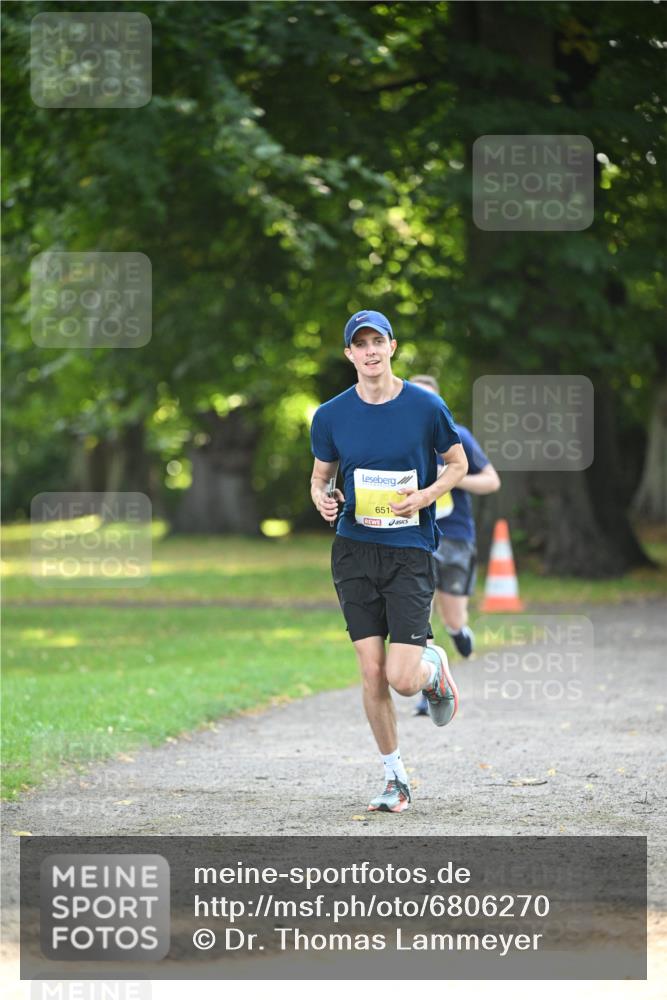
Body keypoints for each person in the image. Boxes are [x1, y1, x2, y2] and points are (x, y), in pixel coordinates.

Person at [309, 310, 468, 813]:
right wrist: (323, 498)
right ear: (349, 355)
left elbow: (457, 465)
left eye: (378, 341)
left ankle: (432, 667)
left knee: (402, 678)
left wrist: (425, 495)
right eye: (361, 344)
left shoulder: (426, 406)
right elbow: (320, 477)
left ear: (392, 347)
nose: (371, 351)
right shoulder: (330, 415)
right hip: (354, 549)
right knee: (372, 671)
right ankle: (395, 778)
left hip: (409, 550)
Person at [408, 375, 501, 716]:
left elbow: (492, 481)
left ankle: (459, 632)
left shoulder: (457, 437)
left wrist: (452, 476)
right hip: (417, 536)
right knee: (421, 611)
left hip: (457, 536)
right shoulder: (401, 439)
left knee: (451, 616)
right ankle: (427, 686)